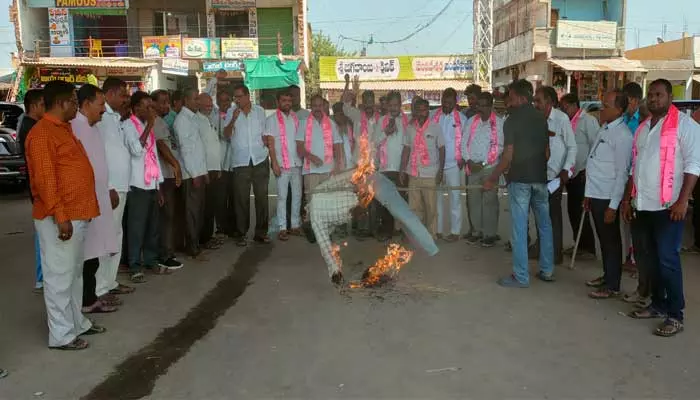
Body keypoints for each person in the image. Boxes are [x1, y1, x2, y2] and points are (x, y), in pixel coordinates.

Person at [25, 80, 103, 350]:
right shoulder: (43, 134)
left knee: (73, 274)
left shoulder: (64, 129)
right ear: (62, 103)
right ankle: (61, 335)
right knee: (59, 276)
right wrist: (60, 216)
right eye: (73, 100)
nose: (76, 105)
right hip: (59, 217)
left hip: (76, 213)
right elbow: (46, 181)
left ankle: (76, 323)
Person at [621, 79, 700, 337]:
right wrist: (627, 198)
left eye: (659, 95)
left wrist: (682, 201)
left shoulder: (686, 126)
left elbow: (693, 166)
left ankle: (675, 314)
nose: (653, 99)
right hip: (642, 204)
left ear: (669, 97)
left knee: (668, 260)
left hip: (668, 207)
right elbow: (636, 166)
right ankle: (657, 304)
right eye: (650, 95)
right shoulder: (643, 128)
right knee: (649, 259)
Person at [307, 169, 439, 285]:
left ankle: (429, 247)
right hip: (361, 190)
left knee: (401, 213)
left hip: (363, 188)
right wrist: (357, 172)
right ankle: (429, 247)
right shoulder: (315, 196)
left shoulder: (317, 224)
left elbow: (325, 248)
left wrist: (335, 272)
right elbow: (335, 181)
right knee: (402, 213)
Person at [484, 79, 554, 288]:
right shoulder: (541, 119)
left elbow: (507, 156)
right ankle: (547, 270)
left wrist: (492, 178)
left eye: (511, 97)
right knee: (544, 226)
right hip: (540, 180)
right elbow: (547, 153)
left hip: (521, 182)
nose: (509, 101)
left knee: (519, 228)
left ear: (522, 97)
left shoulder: (511, 121)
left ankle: (521, 276)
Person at [71, 84, 120, 313]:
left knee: (95, 252)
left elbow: (101, 162)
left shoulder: (93, 127)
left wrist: (109, 188)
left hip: (99, 198)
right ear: (87, 104)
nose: (103, 110)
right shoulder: (74, 128)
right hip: (83, 202)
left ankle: (91, 298)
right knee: (85, 255)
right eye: (100, 105)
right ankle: (85, 301)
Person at [583, 90, 633, 299]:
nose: (602, 109)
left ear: (619, 109)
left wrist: (614, 205)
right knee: (603, 239)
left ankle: (613, 285)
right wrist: (587, 195)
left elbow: (622, 173)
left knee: (611, 241)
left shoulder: (622, 136)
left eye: (607, 105)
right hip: (595, 193)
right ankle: (607, 275)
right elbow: (594, 162)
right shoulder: (605, 129)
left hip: (607, 196)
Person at [96, 77, 133, 297]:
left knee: (116, 235)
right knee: (105, 237)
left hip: (121, 186)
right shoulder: (102, 117)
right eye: (123, 95)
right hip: (110, 188)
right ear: (110, 93)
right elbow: (98, 153)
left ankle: (110, 282)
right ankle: (100, 287)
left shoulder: (116, 117)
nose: (126, 99)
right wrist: (108, 185)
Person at [532, 86, 577, 265]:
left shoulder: (561, 119)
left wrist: (566, 170)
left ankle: (555, 253)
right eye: (534, 101)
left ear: (550, 102)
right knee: (539, 214)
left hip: (555, 176)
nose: (535, 104)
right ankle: (543, 248)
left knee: (553, 215)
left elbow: (572, 146)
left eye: (539, 101)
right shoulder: (534, 119)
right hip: (536, 174)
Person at [124, 91, 165, 283]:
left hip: (151, 183)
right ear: (136, 108)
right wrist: (149, 125)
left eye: (151, 107)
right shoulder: (128, 126)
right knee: (136, 228)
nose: (151, 110)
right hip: (137, 184)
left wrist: (159, 186)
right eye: (147, 107)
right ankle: (134, 265)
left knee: (152, 227)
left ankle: (150, 259)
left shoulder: (146, 127)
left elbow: (153, 156)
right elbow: (136, 150)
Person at [229, 84, 271, 246]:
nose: (237, 100)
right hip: (241, 162)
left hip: (260, 159)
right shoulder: (231, 113)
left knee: (262, 198)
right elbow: (226, 135)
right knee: (241, 199)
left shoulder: (260, 112)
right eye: (235, 97)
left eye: (239, 96)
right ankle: (241, 233)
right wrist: (233, 119)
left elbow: (266, 134)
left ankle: (261, 233)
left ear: (247, 96)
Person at [559, 93, 598, 259]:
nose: (564, 110)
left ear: (575, 105)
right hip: (570, 172)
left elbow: (595, 145)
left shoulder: (587, 121)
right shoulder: (566, 122)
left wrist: (589, 170)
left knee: (581, 210)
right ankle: (579, 243)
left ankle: (588, 248)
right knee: (572, 210)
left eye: (566, 106)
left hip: (583, 171)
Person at [400, 97, 445, 237]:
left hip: (430, 173)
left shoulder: (435, 127)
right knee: (414, 207)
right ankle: (418, 235)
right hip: (413, 173)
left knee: (431, 207)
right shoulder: (410, 128)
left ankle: (431, 235)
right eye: (418, 110)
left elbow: (442, 149)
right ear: (414, 112)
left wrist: (440, 171)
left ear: (428, 111)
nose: (421, 113)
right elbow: (406, 149)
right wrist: (402, 170)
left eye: (424, 110)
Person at [340, 75, 379, 236]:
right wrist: (348, 84)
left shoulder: (380, 118)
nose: (369, 105)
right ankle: (359, 227)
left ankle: (372, 228)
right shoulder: (356, 115)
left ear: (374, 103)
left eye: (371, 102)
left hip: (375, 164)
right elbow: (344, 103)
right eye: (366, 102)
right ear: (363, 103)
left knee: (374, 198)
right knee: (359, 197)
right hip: (359, 164)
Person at [464, 92, 504, 247]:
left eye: (482, 105)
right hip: (472, 167)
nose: (478, 108)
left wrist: (484, 163)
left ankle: (489, 234)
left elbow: (499, 147)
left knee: (489, 201)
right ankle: (476, 232)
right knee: (473, 200)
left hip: (489, 167)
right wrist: (468, 160)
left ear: (490, 106)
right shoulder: (471, 121)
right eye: (478, 105)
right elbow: (463, 143)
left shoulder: (499, 123)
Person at [174, 88, 209, 259]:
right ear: (186, 100)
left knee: (198, 211)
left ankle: (195, 244)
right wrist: (195, 173)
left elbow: (198, 149)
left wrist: (203, 171)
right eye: (195, 99)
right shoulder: (182, 121)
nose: (198, 102)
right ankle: (191, 246)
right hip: (191, 174)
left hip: (198, 172)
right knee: (192, 213)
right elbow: (186, 150)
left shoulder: (192, 118)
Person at [151, 90, 184, 270]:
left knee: (169, 216)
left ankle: (167, 251)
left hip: (166, 174)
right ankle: (165, 255)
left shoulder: (161, 121)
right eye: (162, 102)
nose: (166, 106)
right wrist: (176, 165)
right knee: (167, 216)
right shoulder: (154, 122)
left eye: (167, 102)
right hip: (162, 176)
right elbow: (161, 145)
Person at [265, 89, 303, 241]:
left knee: (297, 195)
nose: (287, 103)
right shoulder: (272, 119)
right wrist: (274, 162)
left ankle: (294, 225)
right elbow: (270, 143)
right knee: (282, 197)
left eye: (289, 100)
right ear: (278, 102)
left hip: (296, 163)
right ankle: (282, 227)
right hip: (281, 163)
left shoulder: (296, 118)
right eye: (284, 101)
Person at [372, 91, 409, 241]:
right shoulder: (381, 121)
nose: (393, 108)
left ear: (400, 105)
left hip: (401, 168)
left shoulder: (407, 121)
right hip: (385, 168)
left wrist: (404, 168)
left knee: (401, 201)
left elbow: (409, 145)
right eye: (391, 105)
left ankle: (400, 230)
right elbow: (374, 143)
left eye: (396, 105)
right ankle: (387, 230)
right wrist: (385, 132)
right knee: (386, 202)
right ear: (387, 105)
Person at [18, 89, 45, 291]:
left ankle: (42, 276)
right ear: (35, 106)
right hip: (38, 189)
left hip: (36, 187)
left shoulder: (30, 125)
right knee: (42, 234)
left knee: (42, 233)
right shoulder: (31, 127)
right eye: (44, 105)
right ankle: (41, 277)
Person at [432, 88, 466, 242]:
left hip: (454, 165)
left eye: (449, 102)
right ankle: (437, 230)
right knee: (436, 198)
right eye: (444, 102)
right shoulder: (434, 117)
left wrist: (463, 158)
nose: (446, 105)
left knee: (455, 198)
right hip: (436, 165)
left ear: (455, 102)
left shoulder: (462, 119)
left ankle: (455, 231)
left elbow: (466, 141)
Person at [621, 82, 645, 272]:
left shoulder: (643, 120)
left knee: (637, 220)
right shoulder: (623, 119)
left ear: (635, 100)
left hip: (637, 176)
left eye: (626, 100)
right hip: (623, 175)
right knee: (625, 216)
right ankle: (629, 253)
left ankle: (638, 258)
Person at [296, 95, 343, 192]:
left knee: (328, 203)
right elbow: (299, 148)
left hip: (329, 171)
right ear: (311, 107)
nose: (317, 108)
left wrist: (338, 165)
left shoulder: (331, 124)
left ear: (324, 107)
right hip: (310, 172)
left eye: (320, 105)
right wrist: (311, 157)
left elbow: (337, 145)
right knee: (312, 203)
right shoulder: (303, 123)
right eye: (315, 106)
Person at [196, 93, 223, 250]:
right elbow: (199, 149)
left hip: (214, 168)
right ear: (198, 104)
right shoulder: (197, 121)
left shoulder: (209, 119)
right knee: (204, 206)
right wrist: (204, 170)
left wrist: (218, 167)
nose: (209, 106)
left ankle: (209, 236)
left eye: (210, 104)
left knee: (211, 205)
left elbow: (214, 146)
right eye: (206, 104)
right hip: (204, 169)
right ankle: (203, 239)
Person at [332, 102, 355, 169]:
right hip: (339, 164)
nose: (340, 117)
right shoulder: (333, 128)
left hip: (352, 162)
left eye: (342, 114)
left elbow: (355, 143)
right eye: (337, 115)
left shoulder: (351, 126)